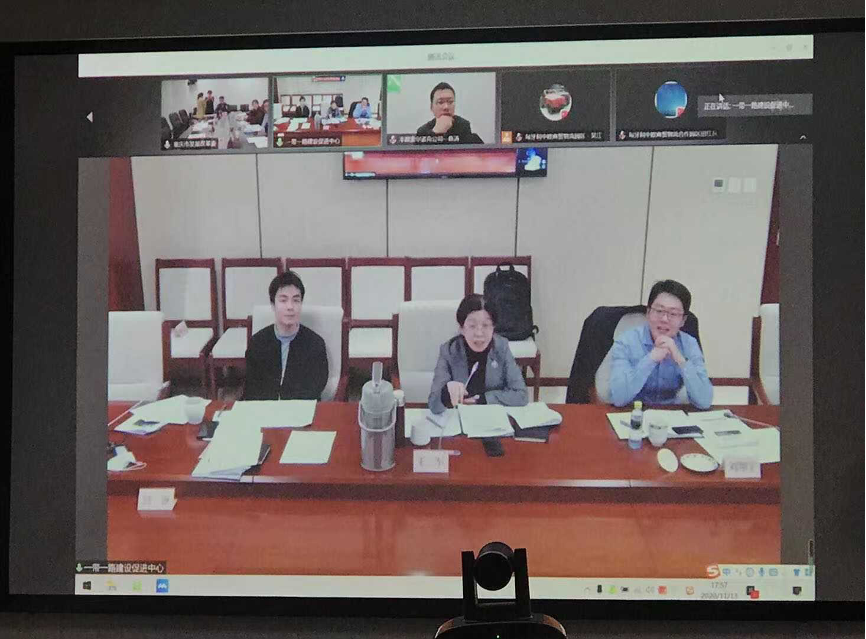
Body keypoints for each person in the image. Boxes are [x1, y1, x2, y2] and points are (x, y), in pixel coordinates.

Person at [609, 280, 713, 409]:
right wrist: (650, 359)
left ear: (683, 320)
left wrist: (680, 360)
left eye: (673, 314)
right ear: (648, 313)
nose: (664, 319)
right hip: (632, 413)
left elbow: (704, 401)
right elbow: (618, 398)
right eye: (659, 311)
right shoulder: (626, 342)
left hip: (670, 415)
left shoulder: (689, 344)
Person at [428, 294, 528, 414]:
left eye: (486, 325)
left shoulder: (501, 347)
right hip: (460, 417)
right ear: (461, 328)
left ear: (493, 327)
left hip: (493, 417)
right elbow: (433, 404)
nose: (479, 333)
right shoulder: (449, 351)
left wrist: (483, 399)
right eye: (472, 326)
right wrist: (446, 394)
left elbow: (521, 395)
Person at [244, 271, 329, 401]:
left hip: (301, 409)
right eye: (283, 300)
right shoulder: (257, 343)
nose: (290, 307)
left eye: (296, 300)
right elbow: (251, 388)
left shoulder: (315, 344)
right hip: (264, 409)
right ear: (273, 305)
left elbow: (315, 388)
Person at [416, 82, 483, 144]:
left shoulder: (463, 126)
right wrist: (436, 133)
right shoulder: (423, 132)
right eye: (440, 102)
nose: (446, 107)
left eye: (450, 102)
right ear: (431, 107)